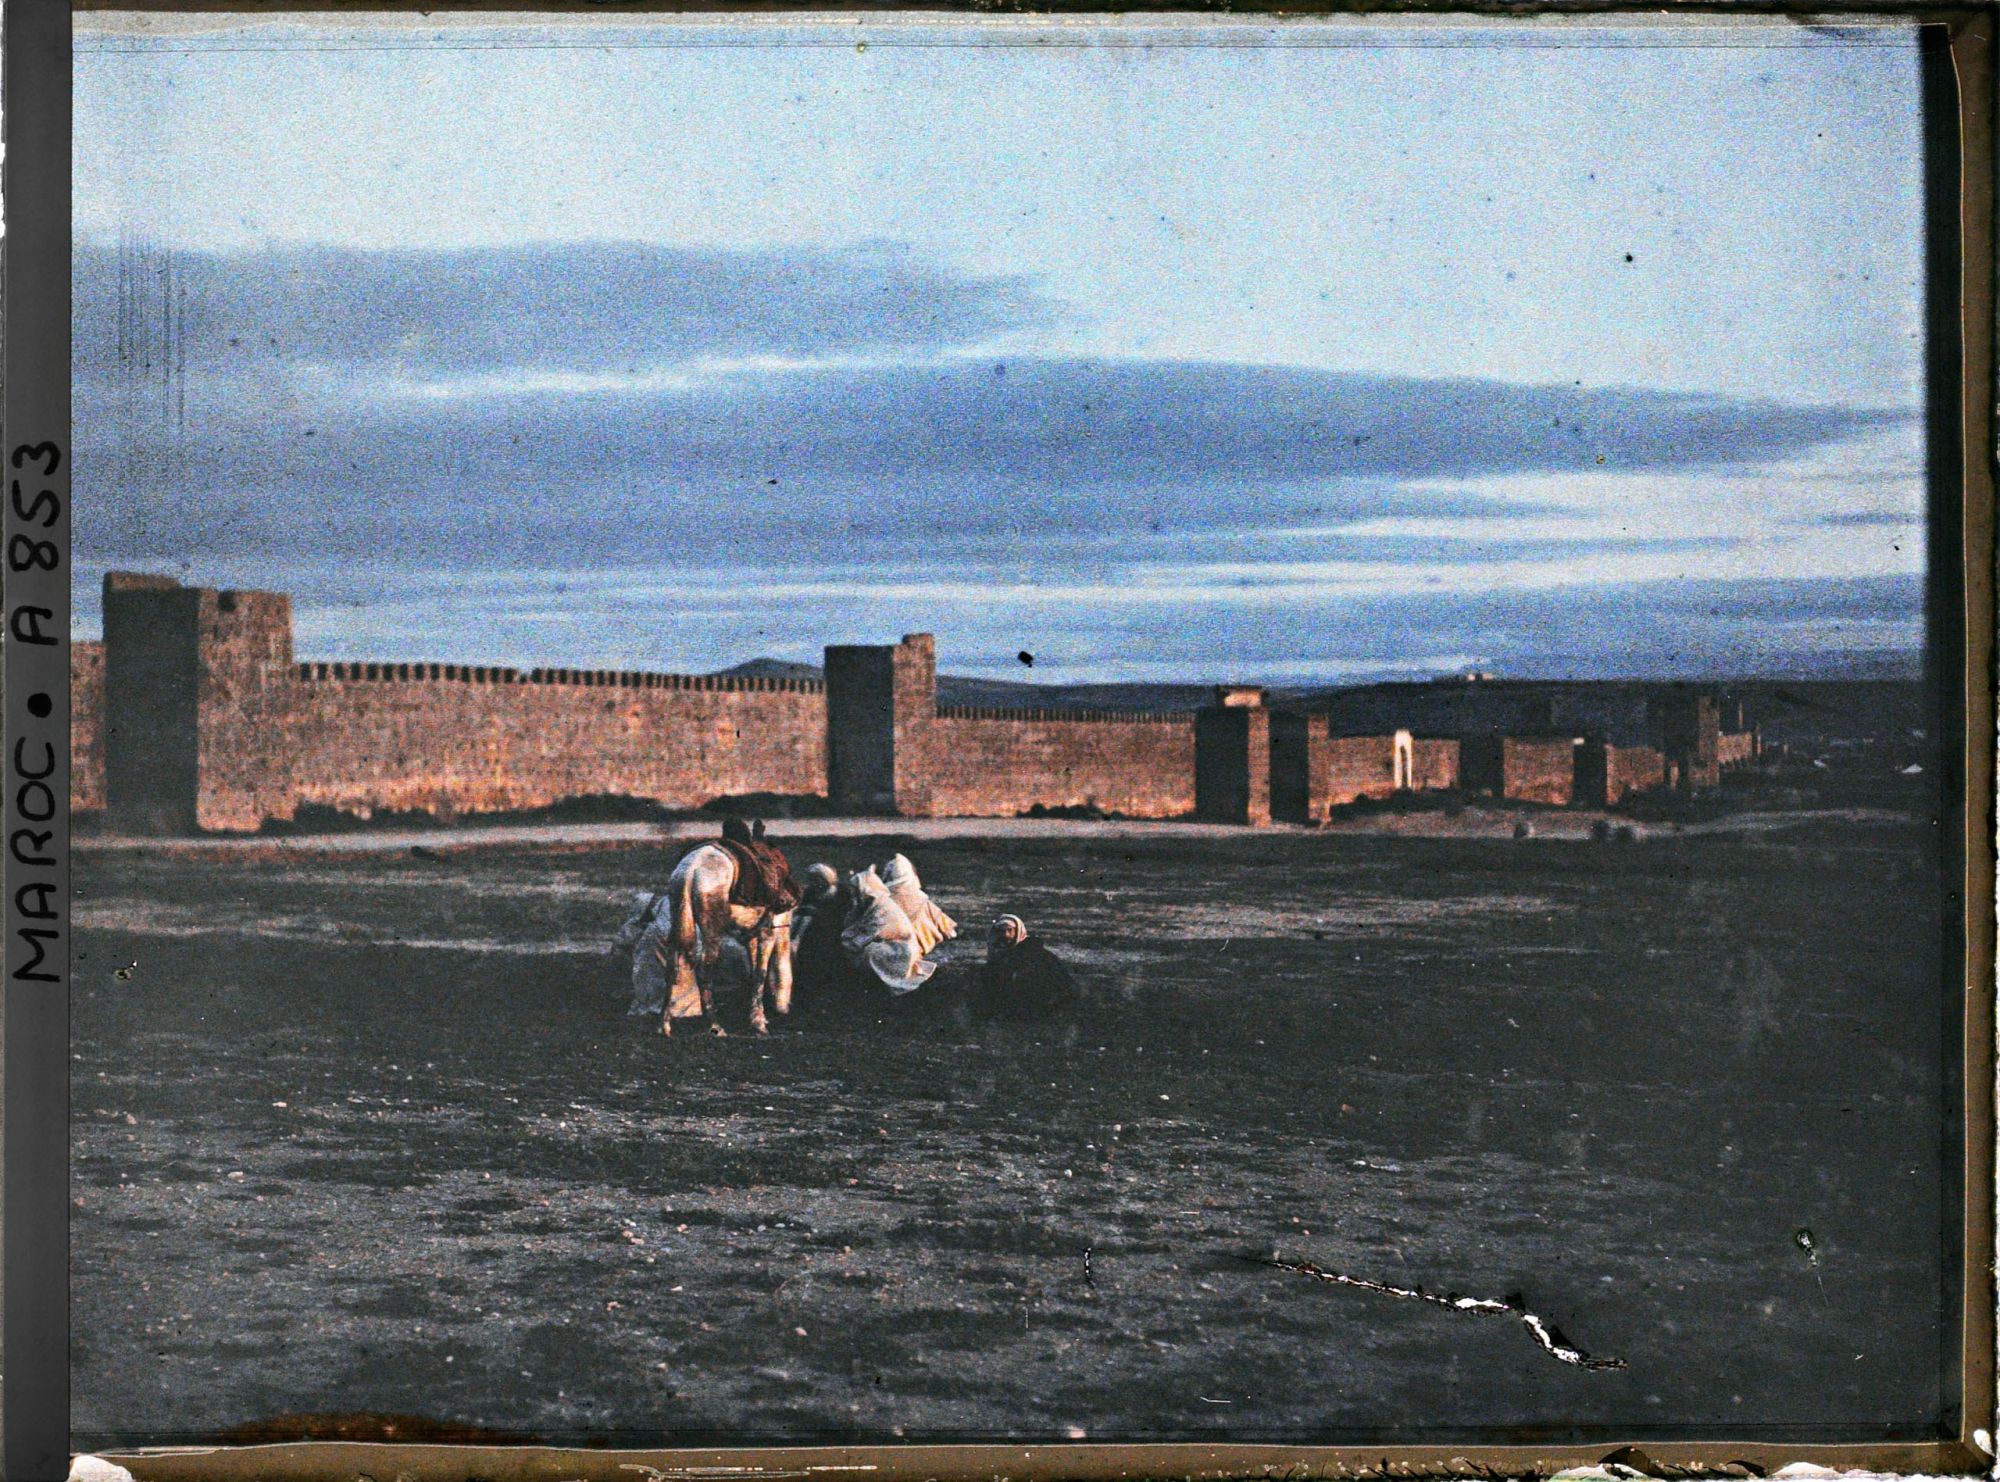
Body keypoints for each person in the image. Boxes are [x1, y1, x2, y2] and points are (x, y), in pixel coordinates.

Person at [972, 915, 1077, 1021]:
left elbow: (1066, 987)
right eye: (1001, 931)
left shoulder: (1038, 955)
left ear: (1018, 931)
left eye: (1010, 930)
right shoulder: (997, 958)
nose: (1006, 935)